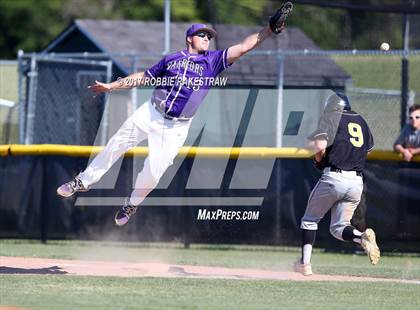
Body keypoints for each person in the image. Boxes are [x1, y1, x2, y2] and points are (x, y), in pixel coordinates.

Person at [57, 3, 294, 226]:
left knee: (154, 171)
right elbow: (143, 77)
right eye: (202, 34)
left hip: (176, 128)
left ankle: (132, 204)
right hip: (151, 113)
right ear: (189, 38)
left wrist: (268, 30)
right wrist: (112, 85)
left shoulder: (212, 62)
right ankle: (84, 181)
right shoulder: (172, 59)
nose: (207, 39)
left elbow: (244, 47)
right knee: (115, 143)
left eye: (209, 36)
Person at [294, 92, 380, 276]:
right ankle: (361, 237)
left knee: (309, 220)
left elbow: (319, 146)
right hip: (356, 182)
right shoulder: (361, 120)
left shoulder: (331, 116)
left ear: (331, 107)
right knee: (338, 227)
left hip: (335, 177)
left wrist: (319, 160)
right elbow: (369, 150)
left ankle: (305, 264)